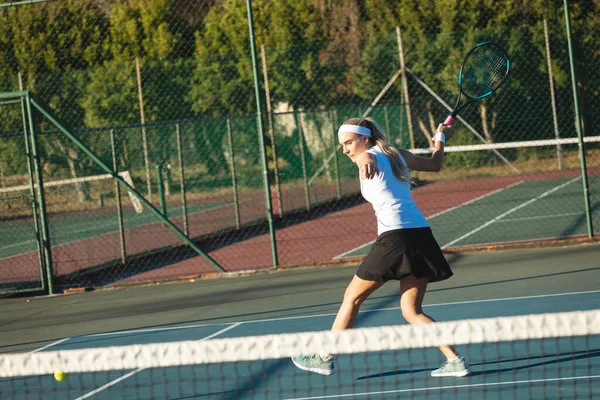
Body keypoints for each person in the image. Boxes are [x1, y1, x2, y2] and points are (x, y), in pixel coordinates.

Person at [291, 117, 471, 378]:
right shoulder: (395, 154)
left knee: (352, 298)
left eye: (349, 143)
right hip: (421, 235)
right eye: (342, 145)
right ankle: (455, 361)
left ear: (365, 139)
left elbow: (367, 160)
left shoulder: (370, 157)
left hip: (395, 239)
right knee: (412, 311)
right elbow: (435, 163)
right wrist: (440, 138)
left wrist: (366, 161)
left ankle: (324, 357)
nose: (345, 150)